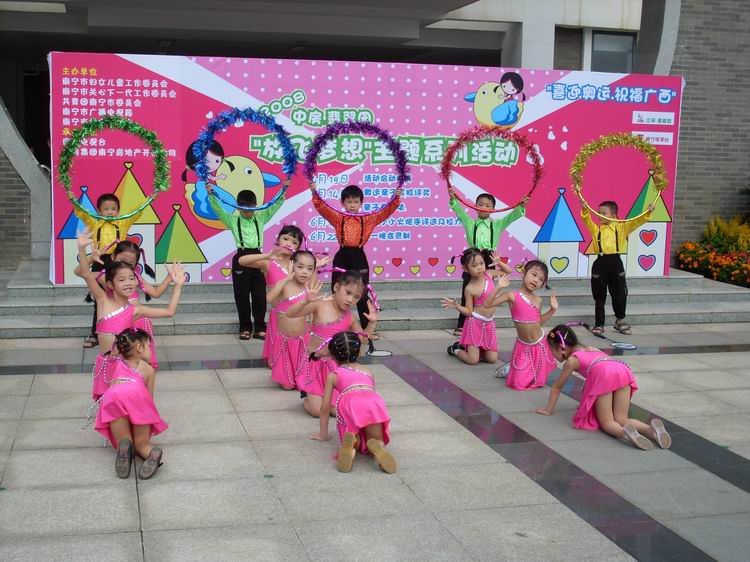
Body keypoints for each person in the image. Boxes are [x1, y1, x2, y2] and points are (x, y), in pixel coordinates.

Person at [75, 230, 186, 400]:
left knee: (134, 400)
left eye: (131, 278)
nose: (128, 282)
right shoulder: (103, 300)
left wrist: (177, 285)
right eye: (121, 280)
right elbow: (84, 273)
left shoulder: (136, 311)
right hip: (107, 365)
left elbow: (169, 311)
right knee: (109, 407)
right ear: (110, 283)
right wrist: (82, 250)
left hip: (127, 364)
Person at [538, 324, 672, 450]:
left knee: (607, 422)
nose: (552, 355)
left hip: (604, 374)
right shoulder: (590, 348)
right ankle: (651, 430)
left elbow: (557, 387)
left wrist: (548, 410)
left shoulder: (572, 361)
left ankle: (625, 434)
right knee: (621, 419)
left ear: (561, 348)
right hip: (622, 369)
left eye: (552, 350)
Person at [310, 183, 401, 338]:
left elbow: (387, 211)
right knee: (337, 290)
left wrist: (397, 196)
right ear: (342, 203)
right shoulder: (338, 217)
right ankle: (335, 326)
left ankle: (367, 330)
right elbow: (321, 207)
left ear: (361, 202)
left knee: (362, 292)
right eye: (349, 202)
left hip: (359, 256)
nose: (352, 205)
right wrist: (313, 191)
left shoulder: (368, 218)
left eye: (356, 202)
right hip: (342, 255)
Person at [286, 271, 378, 417]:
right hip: (314, 366)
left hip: (336, 369)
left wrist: (371, 323)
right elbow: (290, 313)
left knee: (336, 411)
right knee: (317, 411)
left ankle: (325, 397)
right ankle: (306, 395)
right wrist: (306, 301)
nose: (350, 299)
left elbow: (363, 340)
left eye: (356, 297)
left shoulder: (350, 318)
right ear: (336, 287)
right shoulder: (320, 305)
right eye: (348, 292)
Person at [76, 239, 171, 369]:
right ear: (113, 256)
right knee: (123, 362)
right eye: (122, 260)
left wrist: (169, 278)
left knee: (141, 364)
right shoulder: (106, 276)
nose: (125, 264)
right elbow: (81, 272)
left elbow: (155, 292)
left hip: (139, 321)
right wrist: (91, 259)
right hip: (122, 323)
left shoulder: (135, 276)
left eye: (130, 263)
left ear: (135, 264)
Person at [311, 331, 396, 474]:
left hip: (351, 401)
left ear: (333, 355)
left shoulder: (334, 375)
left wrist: (323, 434)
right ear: (359, 351)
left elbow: (325, 408)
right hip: (373, 401)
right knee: (374, 436)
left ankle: (352, 445)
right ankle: (378, 445)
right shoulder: (367, 370)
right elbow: (371, 394)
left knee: (352, 427)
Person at [208, 184, 285, 340]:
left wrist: (284, 190)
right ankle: (245, 328)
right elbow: (218, 210)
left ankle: (260, 327)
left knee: (259, 294)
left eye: (251, 208)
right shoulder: (233, 220)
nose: (248, 212)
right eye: (245, 209)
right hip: (241, 258)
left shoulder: (260, 218)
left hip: (259, 258)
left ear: (256, 206)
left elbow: (274, 206)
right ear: (238, 207)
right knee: (241, 295)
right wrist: (211, 195)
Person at [448, 187, 524, 336]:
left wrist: (522, 205)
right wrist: (453, 198)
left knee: (486, 290)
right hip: (473, 257)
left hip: (489, 259)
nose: (484, 207)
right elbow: (460, 211)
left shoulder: (497, 224)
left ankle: (483, 320)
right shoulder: (470, 223)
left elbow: (512, 216)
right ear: (475, 206)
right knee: (467, 290)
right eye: (480, 204)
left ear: (493, 209)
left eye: (488, 205)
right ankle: (462, 324)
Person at [94, 328, 168, 479]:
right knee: (141, 443)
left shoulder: (115, 363)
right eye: (148, 347)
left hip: (113, 395)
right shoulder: (148, 369)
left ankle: (125, 445)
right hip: (137, 393)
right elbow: (148, 401)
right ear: (139, 348)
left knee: (124, 439)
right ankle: (150, 453)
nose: (150, 351)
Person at [72, 193, 144, 348]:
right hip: (99, 261)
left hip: (117, 263)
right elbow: (81, 212)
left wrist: (152, 196)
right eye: (106, 209)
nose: (110, 212)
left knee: (121, 298)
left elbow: (137, 211)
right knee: (100, 300)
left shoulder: (123, 222)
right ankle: (96, 333)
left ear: (118, 211)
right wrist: (72, 198)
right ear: (99, 211)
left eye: (113, 209)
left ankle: (125, 331)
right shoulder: (94, 222)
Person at [578, 195, 655, 336]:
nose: (599, 215)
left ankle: (620, 321)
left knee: (619, 293)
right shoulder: (596, 229)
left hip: (616, 263)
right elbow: (586, 220)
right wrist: (585, 209)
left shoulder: (622, 227)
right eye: (598, 212)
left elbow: (637, 221)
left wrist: (648, 211)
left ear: (613, 215)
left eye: (604, 213)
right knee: (599, 296)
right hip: (600, 263)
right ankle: (599, 324)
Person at [238, 225, 306, 364]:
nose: (288, 243)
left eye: (294, 242)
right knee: (276, 361)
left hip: (297, 314)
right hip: (278, 314)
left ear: (298, 247)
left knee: (296, 359)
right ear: (278, 239)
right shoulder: (269, 263)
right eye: (285, 239)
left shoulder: (299, 265)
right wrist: (267, 255)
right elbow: (241, 261)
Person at [489, 260, 558, 390]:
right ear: (523, 273)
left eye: (541, 279)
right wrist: (498, 287)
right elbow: (488, 304)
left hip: (539, 345)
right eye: (534, 274)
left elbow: (537, 322)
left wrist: (552, 310)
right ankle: (511, 368)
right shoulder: (512, 295)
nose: (536, 280)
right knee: (518, 384)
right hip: (524, 346)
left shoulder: (538, 300)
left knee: (538, 381)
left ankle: (516, 367)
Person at [441, 248, 511, 365]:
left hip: (489, 323)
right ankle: (456, 349)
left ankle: (475, 349)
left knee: (492, 359)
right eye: (474, 265)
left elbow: (508, 272)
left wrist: (499, 263)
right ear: (466, 269)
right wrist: (457, 306)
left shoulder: (489, 274)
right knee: (472, 360)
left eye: (481, 263)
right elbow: (469, 311)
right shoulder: (469, 288)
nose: (479, 267)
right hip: (475, 324)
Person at [264, 250, 317, 390]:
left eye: (309, 269)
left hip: (302, 340)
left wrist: (314, 332)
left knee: (302, 384)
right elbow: (269, 299)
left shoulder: (309, 288)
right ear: (291, 265)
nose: (305, 272)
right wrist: (286, 279)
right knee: (287, 386)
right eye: (300, 267)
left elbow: (312, 312)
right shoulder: (284, 284)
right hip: (284, 340)